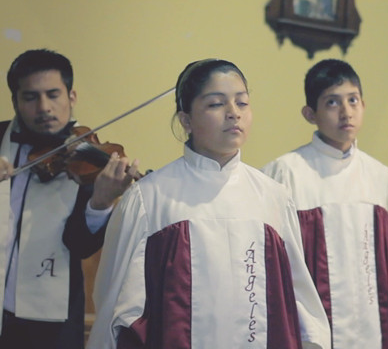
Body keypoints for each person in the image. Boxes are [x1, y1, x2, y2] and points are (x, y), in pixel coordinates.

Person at [87, 59, 330, 349]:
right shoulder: (148, 199)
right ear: (186, 120)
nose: (233, 114)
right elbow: (114, 303)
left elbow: (300, 299)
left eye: (242, 103)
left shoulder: (273, 197)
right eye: (216, 104)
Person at [262, 59, 388, 349]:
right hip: (311, 331)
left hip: (373, 326)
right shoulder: (285, 173)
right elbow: (275, 265)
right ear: (310, 114)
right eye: (332, 102)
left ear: (363, 105)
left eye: (353, 100)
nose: (346, 112)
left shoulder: (379, 176)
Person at [0, 49, 136, 349]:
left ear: (71, 97)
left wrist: (100, 203)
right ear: (16, 101)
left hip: (49, 325)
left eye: (53, 94)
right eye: (31, 97)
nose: (44, 107)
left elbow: (80, 245)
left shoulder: (87, 159)